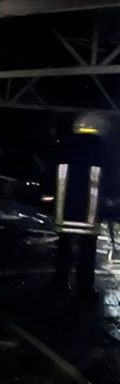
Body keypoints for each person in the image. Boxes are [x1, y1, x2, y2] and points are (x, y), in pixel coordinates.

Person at [53, 112, 115, 300]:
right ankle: (85, 290)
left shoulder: (64, 147)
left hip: (64, 213)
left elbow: (50, 173)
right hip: (89, 214)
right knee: (86, 254)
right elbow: (112, 178)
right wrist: (112, 200)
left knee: (64, 248)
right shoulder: (103, 149)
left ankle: (60, 283)